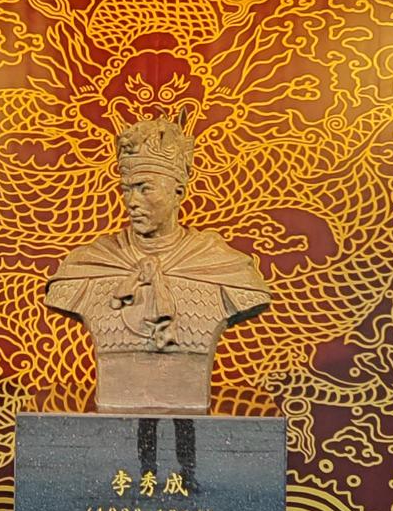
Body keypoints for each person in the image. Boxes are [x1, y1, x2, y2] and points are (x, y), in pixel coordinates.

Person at [45, 114, 270, 413]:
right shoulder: (87, 266)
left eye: (144, 188)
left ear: (178, 192)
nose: (131, 202)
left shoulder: (223, 268)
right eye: (127, 189)